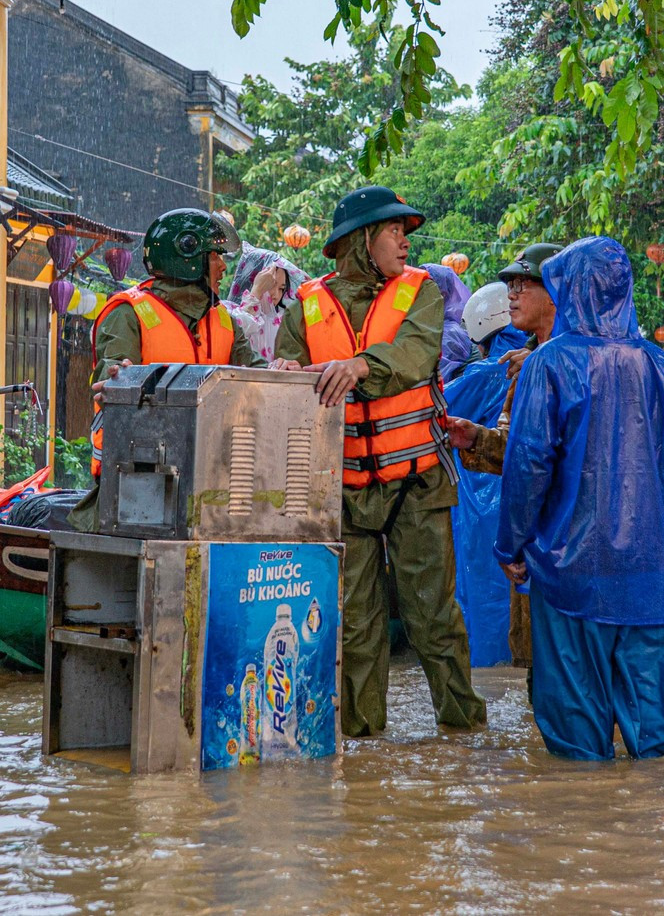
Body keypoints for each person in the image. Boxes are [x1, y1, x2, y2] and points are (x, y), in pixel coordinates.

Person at [277, 186, 487, 737]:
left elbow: (417, 355)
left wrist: (358, 367)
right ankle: (361, 743)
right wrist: (284, 376)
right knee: (355, 629)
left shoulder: (423, 290)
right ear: (361, 240)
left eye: (406, 231)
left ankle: (463, 733)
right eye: (394, 230)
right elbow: (284, 385)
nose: (405, 240)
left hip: (417, 483)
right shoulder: (305, 306)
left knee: (434, 620)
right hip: (341, 490)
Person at [492, 237, 664, 760]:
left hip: (570, 571)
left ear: (568, 289)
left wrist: (510, 546)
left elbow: (529, 465)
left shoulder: (549, 365)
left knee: (577, 745)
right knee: (654, 740)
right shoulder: (660, 366)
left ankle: (588, 834)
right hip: (646, 574)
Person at [73, 209, 262, 529]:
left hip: (215, 483)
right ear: (189, 256)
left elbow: (259, 375)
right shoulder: (129, 313)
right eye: (216, 255)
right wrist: (116, 382)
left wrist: (286, 368)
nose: (224, 266)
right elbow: (112, 372)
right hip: (139, 485)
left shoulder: (226, 321)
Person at [443, 242, 562, 672]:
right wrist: (475, 438)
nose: (512, 293)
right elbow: (521, 451)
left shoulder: (571, 363)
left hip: (563, 543)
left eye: (523, 284)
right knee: (539, 674)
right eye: (509, 285)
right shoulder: (520, 368)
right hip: (529, 539)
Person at [444, 283, 529, 667]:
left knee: (481, 599)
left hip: (481, 504)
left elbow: (435, 410)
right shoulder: (542, 360)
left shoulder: (481, 372)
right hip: (528, 498)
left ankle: (486, 675)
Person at [223, 245, 309, 365]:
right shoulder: (227, 312)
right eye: (271, 285)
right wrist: (256, 292)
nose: (276, 294)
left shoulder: (282, 322)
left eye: (281, 289)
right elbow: (237, 334)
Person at [424, 263, 477, 384]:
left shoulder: (449, 334)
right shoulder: (435, 329)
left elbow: (431, 383)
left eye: (423, 292)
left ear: (442, 296)